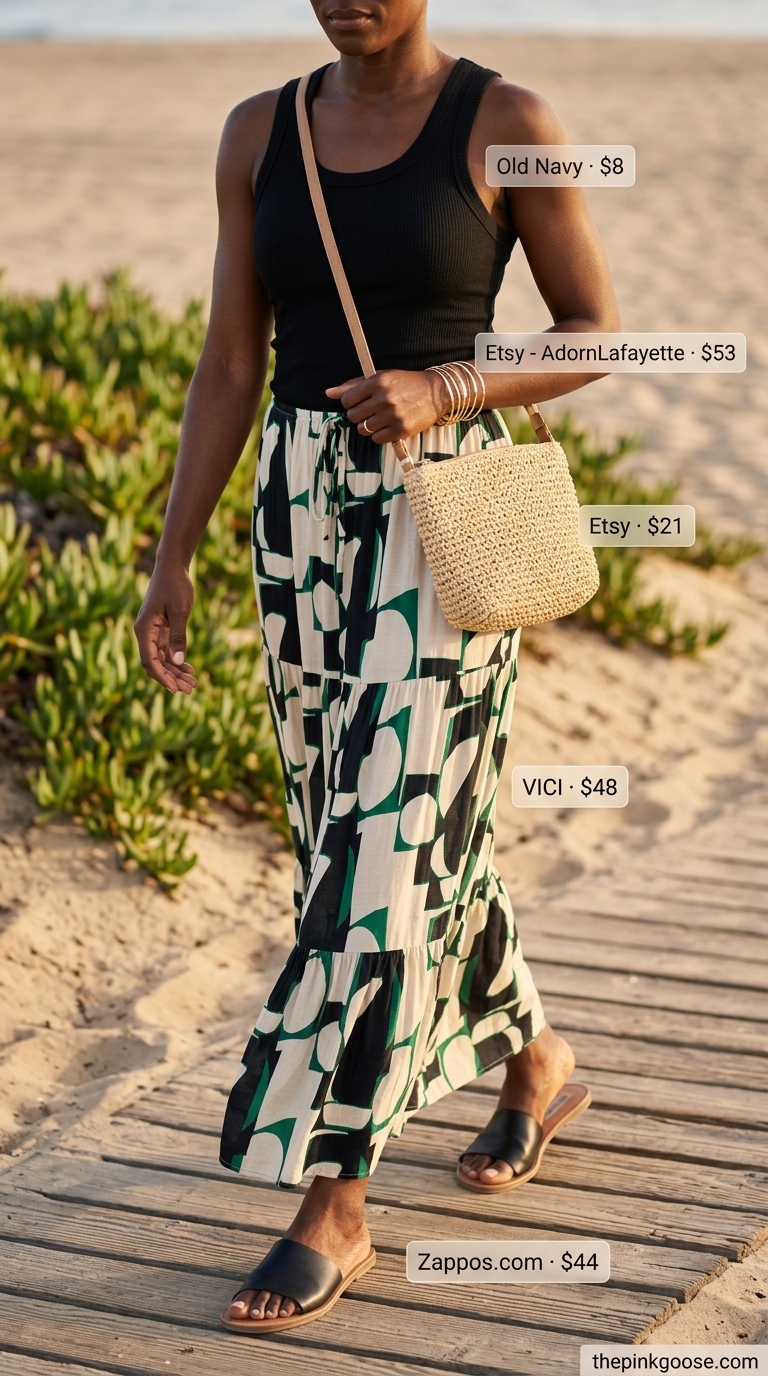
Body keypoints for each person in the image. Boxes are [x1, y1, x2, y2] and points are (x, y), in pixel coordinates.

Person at [134, 0, 620, 1337]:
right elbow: (233, 356)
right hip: (297, 526)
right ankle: (535, 1058)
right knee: (366, 840)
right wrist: (172, 556)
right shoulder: (259, 133)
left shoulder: (508, 123)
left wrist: (447, 387)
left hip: (439, 523)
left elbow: (593, 331)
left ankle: (334, 1199)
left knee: (384, 849)